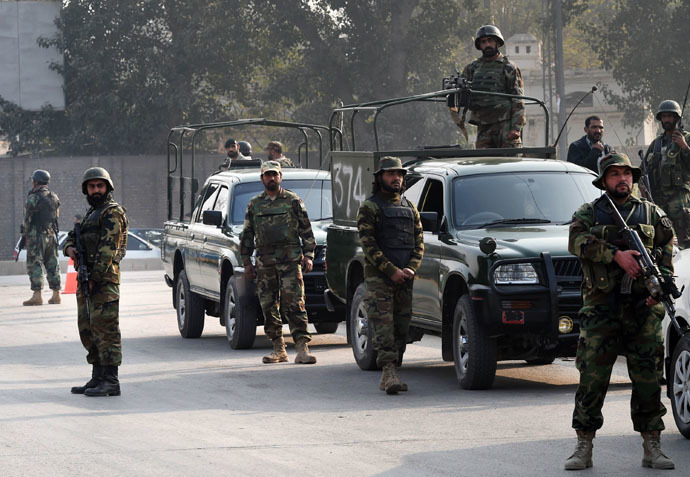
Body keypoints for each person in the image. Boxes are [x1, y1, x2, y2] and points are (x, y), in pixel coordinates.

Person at [565, 153, 675, 470]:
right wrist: (615, 255)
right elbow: (575, 241)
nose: (621, 179)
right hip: (601, 309)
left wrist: (660, 288)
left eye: (626, 174)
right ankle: (583, 446)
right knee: (592, 379)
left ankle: (652, 445)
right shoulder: (590, 212)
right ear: (604, 181)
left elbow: (668, 252)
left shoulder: (652, 213)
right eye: (614, 174)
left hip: (644, 310)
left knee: (649, 380)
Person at [356, 157, 424, 394]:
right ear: (380, 177)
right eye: (390, 174)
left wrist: (411, 269)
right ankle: (388, 371)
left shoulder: (409, 207)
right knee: (384, 326)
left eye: (399, 174)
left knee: (401, 327)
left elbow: (419, 243)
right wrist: (390, 270)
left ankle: (392, 370)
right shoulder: (370, 207)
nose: (396, 178)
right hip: (380, 279)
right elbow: (369, 245)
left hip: (405, 278)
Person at [239, 160, 317, 364]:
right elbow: (247, 234)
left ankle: (302, 348)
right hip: (265, 264)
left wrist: (309, 255)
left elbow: (306, 230)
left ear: (280, 177)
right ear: (262, 178)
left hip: (290, 262)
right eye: (268, 175)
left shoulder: (293, 200)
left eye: (275, 174)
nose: (272, 178)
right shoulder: (255, 204)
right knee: (268, 305)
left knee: (295, 303)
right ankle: (278, 348)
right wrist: (246, 262)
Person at [64, 167, 129, 397]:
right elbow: (73, 237)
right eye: (91, 186)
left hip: (103, 281)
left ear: (107, 187)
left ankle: (111, 380)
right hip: (86, 279)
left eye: (99, 186)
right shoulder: (91, 213)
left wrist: (95, 278)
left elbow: (107, 251)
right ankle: (97, 376)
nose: (96, 190)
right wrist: (69, 248)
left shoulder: (111, 213)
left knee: (106, 329)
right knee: (88, 328)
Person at [450, 25, 525, 149]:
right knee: (483, 164)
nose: (487, 44)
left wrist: (516, 128)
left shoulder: (508, 67)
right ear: (480, 45)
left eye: (490, 40)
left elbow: (518, 99)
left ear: (497, 43)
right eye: (483, 42)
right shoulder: (472, 68)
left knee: (510, 164)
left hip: (505, 124)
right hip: (483, 125)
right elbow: (461, 90)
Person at [643, 99, 690, 248]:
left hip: (680, 200)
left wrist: (684, 146)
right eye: (664, 116)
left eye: (670, 116)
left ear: (677, 118)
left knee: (686, 241)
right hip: (659, 200)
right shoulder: (656, 144)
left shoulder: (686, 138)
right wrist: (642, 186)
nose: (667, 120)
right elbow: (643, 168)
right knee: (661, 243)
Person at [22, 169, 61, 306]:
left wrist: (25, 234)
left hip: (36, 235)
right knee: (52, 263)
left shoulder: (33, 197)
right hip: (50, 234)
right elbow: (56, 216)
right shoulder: (54, 197)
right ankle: (56, 295)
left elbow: (27, 219)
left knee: (35, 263)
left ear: (36, 181)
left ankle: (37, 295)